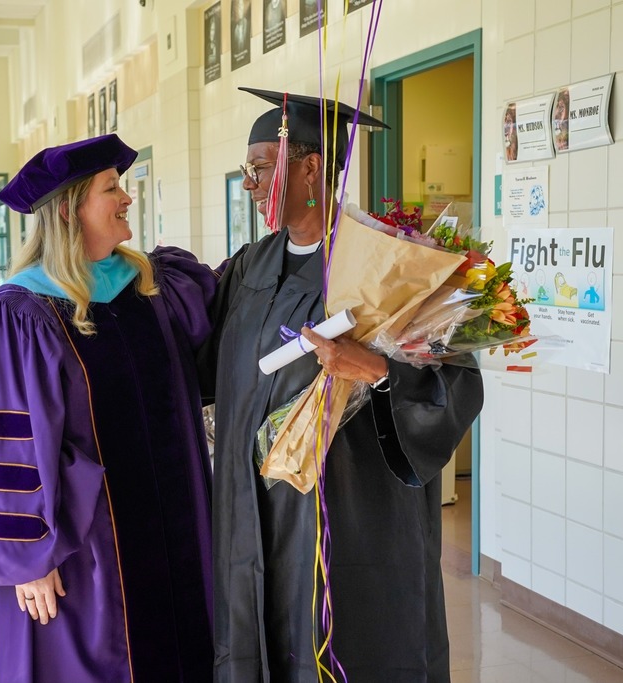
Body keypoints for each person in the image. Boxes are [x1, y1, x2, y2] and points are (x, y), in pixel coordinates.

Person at [200, 88, 484, 682]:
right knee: (260, 628)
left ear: (310, 168)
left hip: (347, 508)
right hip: (254, 503)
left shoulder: (386, 264)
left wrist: (376, 370)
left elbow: (454, 384)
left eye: (261, 169)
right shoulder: (250, 265)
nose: (249, 185)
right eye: (247, 171)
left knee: (347, 638)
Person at [0, 134, 216, 683]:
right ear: (71, 208)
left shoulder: (151, 285)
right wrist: (27, 558)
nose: (127, 198)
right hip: (86, 548)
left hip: (178, 526)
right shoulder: (23, 311)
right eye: (112, 188)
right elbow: (1, 442)